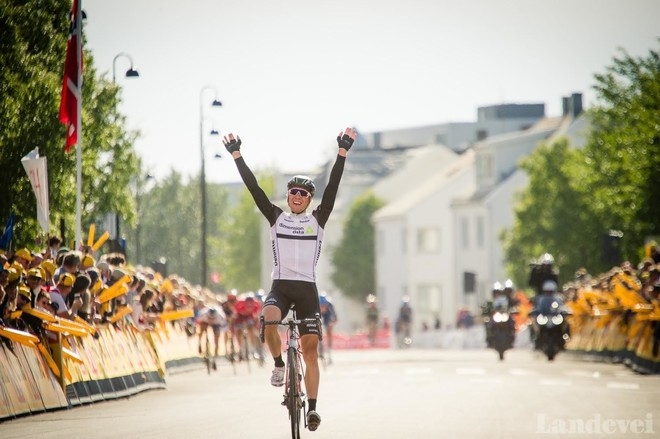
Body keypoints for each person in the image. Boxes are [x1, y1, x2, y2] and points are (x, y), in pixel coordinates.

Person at [223, 126, 356, 432]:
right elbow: (254, 189)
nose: (297, 196)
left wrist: (342, 153)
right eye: (293, 192)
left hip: (307, 291)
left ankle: (313, 409)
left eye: (303, 193)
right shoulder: (277, 218)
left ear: (309, 199)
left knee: (310, 351)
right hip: (281, 287)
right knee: (269, 318)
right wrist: (237, 155)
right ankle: (279, 365)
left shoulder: (318, 220)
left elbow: (333, 187)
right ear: (287, 196)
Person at [196, 304, 227, 369]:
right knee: (202, 329)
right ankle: (199, 343)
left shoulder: (220, 316)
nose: (211, 320)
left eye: (213, 318)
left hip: (216, 324)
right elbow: (196, 323)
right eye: (210, 318)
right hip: (204, 322)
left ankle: (214, 359)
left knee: (217, 340)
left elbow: (224, 327)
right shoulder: (203, 314)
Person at [318, 293, 337, 363]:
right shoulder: (316, 306)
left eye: (324, 306)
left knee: (329, 331)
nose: (323, 307)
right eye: (321, 306)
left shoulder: (330, 305)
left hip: (327, 316)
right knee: (317, 331)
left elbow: (335, 317)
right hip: (319, 315)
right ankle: (320, 348)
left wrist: (331, 323)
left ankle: (329, 351)